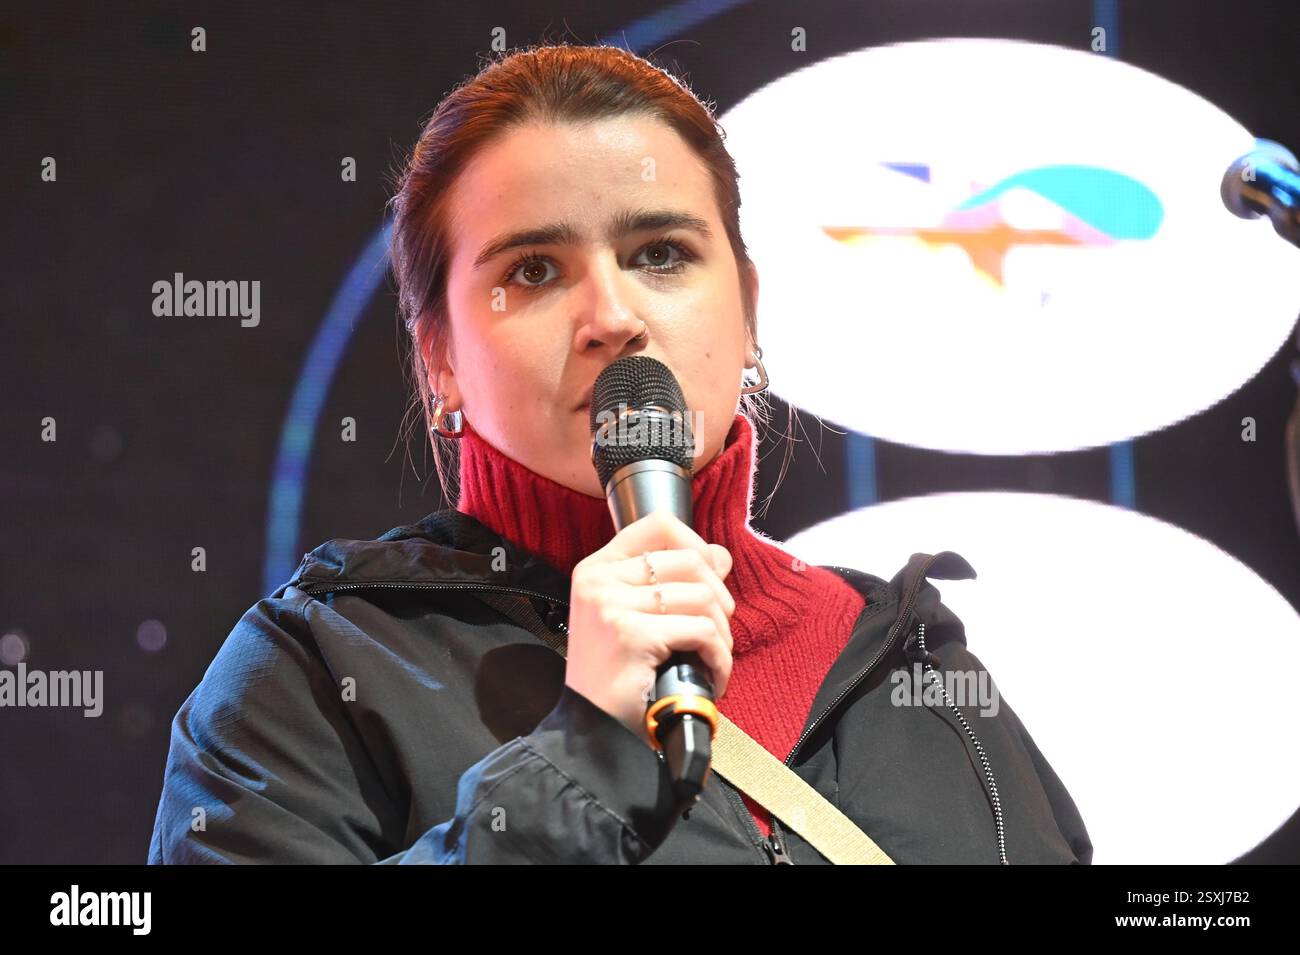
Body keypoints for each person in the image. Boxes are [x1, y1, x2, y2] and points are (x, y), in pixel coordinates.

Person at [148, 43, 1092, 865]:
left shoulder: (914, 666)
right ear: (439, 356)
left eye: (662, 253)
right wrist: (583, 763)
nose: (613, 317)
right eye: (534, 270)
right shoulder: (314, 672)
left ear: (749, 309)